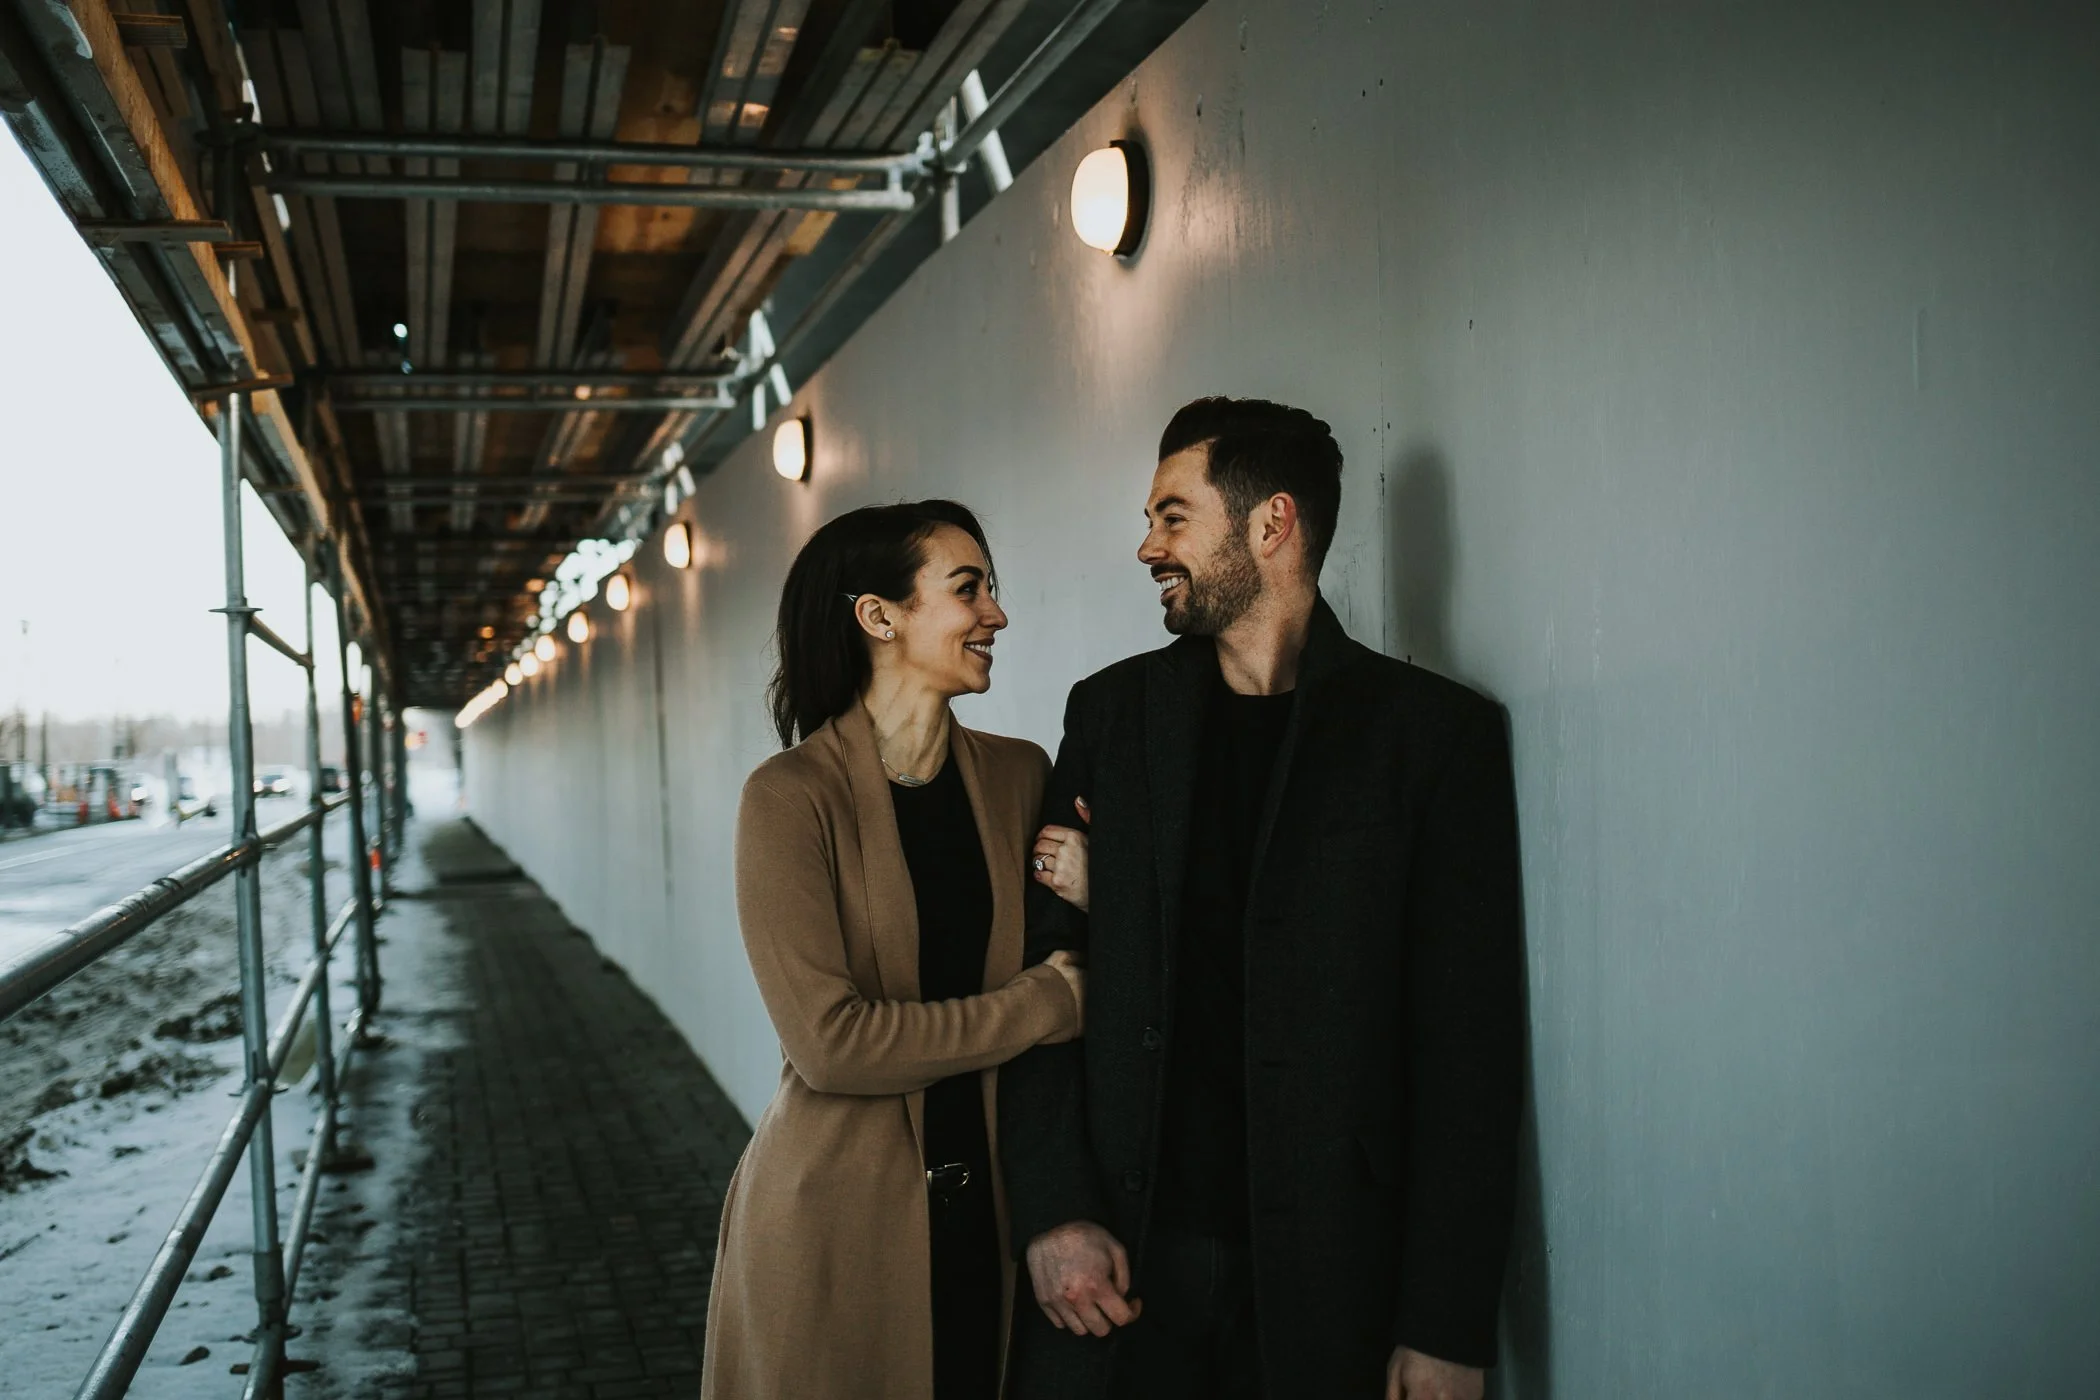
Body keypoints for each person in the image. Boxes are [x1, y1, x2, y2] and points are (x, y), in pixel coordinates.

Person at [1003, 399, 1525, 1400]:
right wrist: (1055, 1211)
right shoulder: (1112, 716)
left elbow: (1470, 1049)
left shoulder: (1433, 739)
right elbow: (1044, 986)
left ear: (1270, 523)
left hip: (1339, 1280)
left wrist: (1448, 1321)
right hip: (1126, 1255)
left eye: (1172, 515)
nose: (1146, 544)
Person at [703, 501, 1088, 1400]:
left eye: (991, 589)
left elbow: (1085, 952)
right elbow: (831, 1044)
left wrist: (1097, 897)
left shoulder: (1022, 773)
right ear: (879, 617)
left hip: (992, 1220)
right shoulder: (788, 798)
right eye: (968, 589)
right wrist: (1043, 1005)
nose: (995, 613)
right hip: (836, 1222)